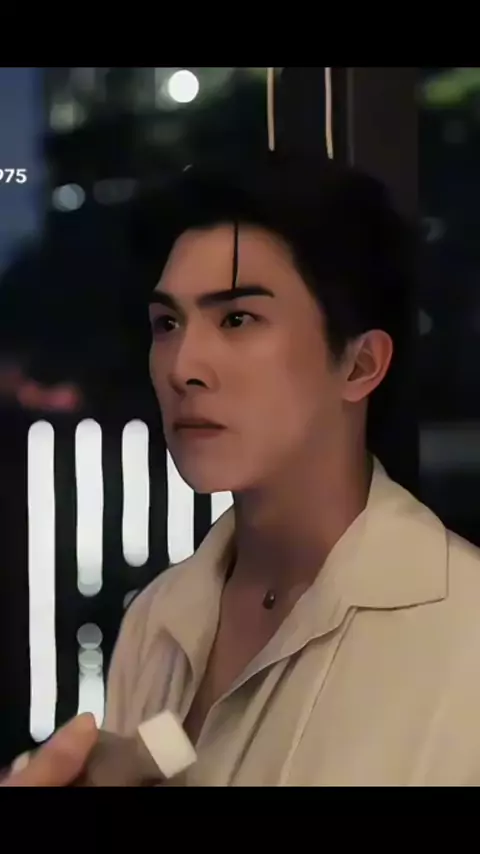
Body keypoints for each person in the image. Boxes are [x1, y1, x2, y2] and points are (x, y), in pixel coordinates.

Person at [6, 155, 480, 786]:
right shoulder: (159, 616)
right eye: (167, 323)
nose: (183, 366)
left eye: (237, 319)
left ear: (360, 364)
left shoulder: (462, 635)